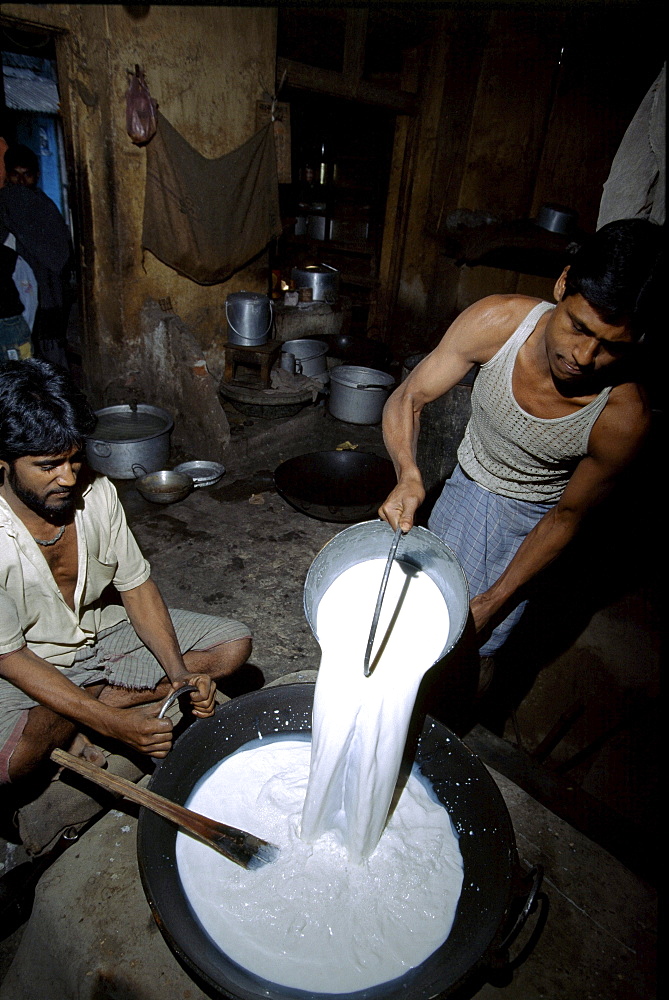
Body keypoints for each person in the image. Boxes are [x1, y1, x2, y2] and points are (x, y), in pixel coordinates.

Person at [379, 219, 662, 686]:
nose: (585, 357)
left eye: (613, 347)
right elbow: (408, 397)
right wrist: (408, 473)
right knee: (415, 618)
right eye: (578, 327)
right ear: (563, 283)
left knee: (476, 651)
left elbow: (566, 518)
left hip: (529, 530)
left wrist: (494, 600)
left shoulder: (623, 415)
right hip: (461, 489)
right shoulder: (498, 322)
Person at [0, 358, 252, 786]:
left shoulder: (97, 494)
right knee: (10, 766)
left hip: (99, 638)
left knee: (232, 647)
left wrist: (179, 675)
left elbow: (136, 587)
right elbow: (10, 655)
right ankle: (96, 707)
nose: (67, 478)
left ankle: (87, 702)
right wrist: (112, 725)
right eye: (48, 466)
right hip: (29, 661)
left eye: (74, 459)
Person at [0, 145, 72, 368]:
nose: (21, 182)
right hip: (12, 296)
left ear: (37, 176)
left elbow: (61, 251)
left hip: (47, 290)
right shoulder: (4, 204)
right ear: (7, 175)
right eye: (15, 174)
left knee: (48, 352)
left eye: (27, 175)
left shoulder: (45, 207)